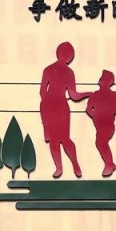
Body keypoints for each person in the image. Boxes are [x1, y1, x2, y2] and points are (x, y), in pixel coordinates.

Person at [39, 41, 91, 178]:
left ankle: (60, 167)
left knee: (55, 140)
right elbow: (74, 95)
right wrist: (87, 94)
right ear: (70, 56)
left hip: (51, 106)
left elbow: (43, 92)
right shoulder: (68, 72)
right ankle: (72, 165)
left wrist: (48, 105)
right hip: (60, 106)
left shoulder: (48, 69)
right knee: (64, 139)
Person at [85, 69, 116, 177]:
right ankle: (109, 164)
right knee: (100, 143)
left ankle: (109, 164)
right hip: (99, 125)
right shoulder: (95, 95)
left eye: (104, 80)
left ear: (108, 82)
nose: (101, 81)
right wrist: (95, 116)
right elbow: (88, 109)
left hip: (108, 125)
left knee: (100, 143)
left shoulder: (112, 95)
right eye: (102, 79)